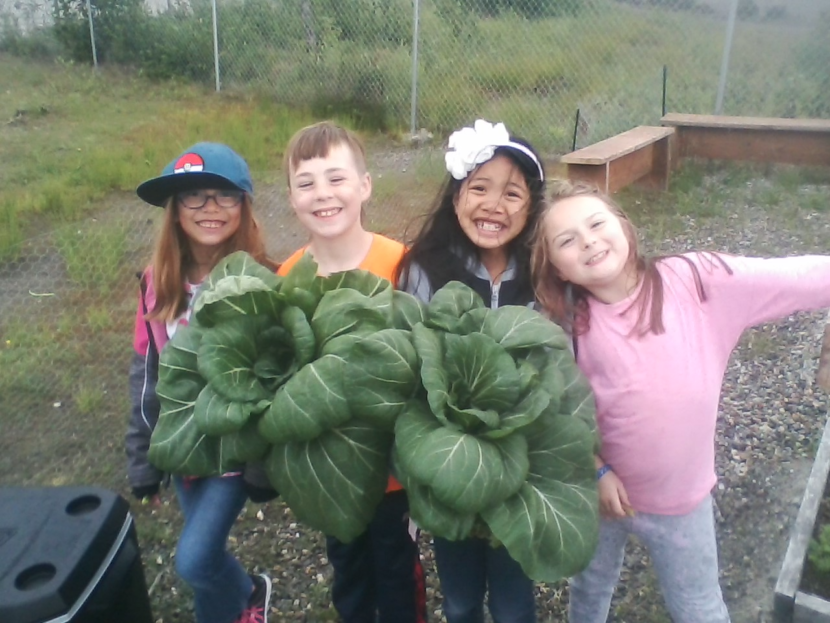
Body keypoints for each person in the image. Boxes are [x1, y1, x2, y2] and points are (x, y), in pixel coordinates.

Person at [529, 180, 830, 623]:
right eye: (567, 240)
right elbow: (555, 413)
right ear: (557, 268)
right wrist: (595, 469)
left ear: (624, 227)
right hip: (599, 495)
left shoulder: (696, 281)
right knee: (589, 591)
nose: (588, 240)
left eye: (596, 223)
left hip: (681, 502)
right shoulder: (563, 325)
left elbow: (795, 278)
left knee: (698, 607)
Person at [396, 118, 547, 623]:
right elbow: (412, 371)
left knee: (513, 603)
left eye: (512, 194)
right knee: (459, 601)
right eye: (479, 188)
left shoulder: (545, 274)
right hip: (451, 460)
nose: (494, 206)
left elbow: (559, 367)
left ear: (532, 207)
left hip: (518, 461)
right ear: (456, 198)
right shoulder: (425, 270)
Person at [279, 120, 427, 623]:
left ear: (364, 186)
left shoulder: (402, 265)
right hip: (329, 468)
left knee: (397, 572)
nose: (323, 194)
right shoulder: (289, 275)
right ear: (292, 198)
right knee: (349, 573)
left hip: (392, 474)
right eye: (307, 183)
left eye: (336, 178)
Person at [126, 142, 278, 623]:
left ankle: (251, 592)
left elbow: (274, 377)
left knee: (193, 559)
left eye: (224, 196)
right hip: (183, 446)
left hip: (233, 447)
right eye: (194, 195)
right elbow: (146, 373)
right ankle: (245, 598)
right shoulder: (158, 281)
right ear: (174, 211)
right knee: (202, 561)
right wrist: (142, 456)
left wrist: (261, 460)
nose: (210, 208)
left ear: (243, 207)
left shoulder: (264, 279)